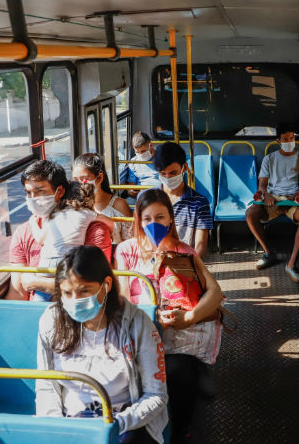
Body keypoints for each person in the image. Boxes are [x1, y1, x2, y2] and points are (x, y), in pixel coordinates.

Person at [116, 189, 223, 444]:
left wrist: (187, 318)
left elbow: (215, 292)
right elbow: (123, 299)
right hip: (139, 328)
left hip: (178, 333)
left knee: (177, 371)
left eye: (161, 217)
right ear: (138, 221)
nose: (155, 224)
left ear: (170, 220)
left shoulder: (182, 251)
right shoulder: (125, 251)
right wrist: (148, 316)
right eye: (148, 219)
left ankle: (181, 428)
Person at [36, 245, 168, 444]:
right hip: (70, 421)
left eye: (84, 291)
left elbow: (155, 394)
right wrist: (58, 428)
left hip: (125, 420)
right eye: (67, 293)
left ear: (106, 285)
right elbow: (46, 386)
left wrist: (115, 424)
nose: (74, 300)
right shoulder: (52, 322)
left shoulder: (136, 324)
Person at [6, 159, 112, 300]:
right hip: (66, 271)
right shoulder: (22, 233)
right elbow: (18, 292)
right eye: (28, 193)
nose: (33, 199)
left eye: (40, 191)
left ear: (60, 191)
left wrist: (37, 282)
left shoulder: (95, 230)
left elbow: (91, 287)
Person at [245, 124, 299, 283]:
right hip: (272, 200)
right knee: (250, 213)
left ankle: (291, 264)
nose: (289, 141)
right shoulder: (270, 158)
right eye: (285, 139)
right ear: (278, 141)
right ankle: (269, 253)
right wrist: (266, 194)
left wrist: (297, 194)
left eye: (292, 138)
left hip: (291, 201)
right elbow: (262, 184)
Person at [152, 142, 212, 258]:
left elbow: (201, 245)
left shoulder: (199, 203)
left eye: (173, 173)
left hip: (186, 263)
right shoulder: (149, 200)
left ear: (184, 167)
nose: (168, 178)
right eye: (163, 174)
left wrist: (191, 267)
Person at [73, 153, 133, 244]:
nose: (80, 185)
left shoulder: (118, 205)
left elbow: (130, 242)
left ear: (100, 178)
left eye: (84, 179)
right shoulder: (75, 206)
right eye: (76, 181)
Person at [120, 131, 159, 197]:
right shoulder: (133, 163)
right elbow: (131, 185)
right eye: (137, 152)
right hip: (142, 195)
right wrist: (131, 191)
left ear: (151, 145)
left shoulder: (162, 158)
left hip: (160, 193)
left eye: (143, 151)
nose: (141, 154)